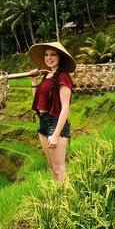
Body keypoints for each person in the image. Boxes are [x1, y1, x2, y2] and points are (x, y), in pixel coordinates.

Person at [28, 41, 76, 182]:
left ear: (60, 57)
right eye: (47, 55)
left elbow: (65, 107)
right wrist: (33, 82)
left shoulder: (63, 77)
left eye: (53, 54)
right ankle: (56, 197)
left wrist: (55, 134)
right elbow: (38, 101)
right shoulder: (47, 76)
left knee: (58, 168)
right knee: (51, 166)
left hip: (56, 124)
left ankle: (66, 200)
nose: (49, 58)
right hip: (43, 123)